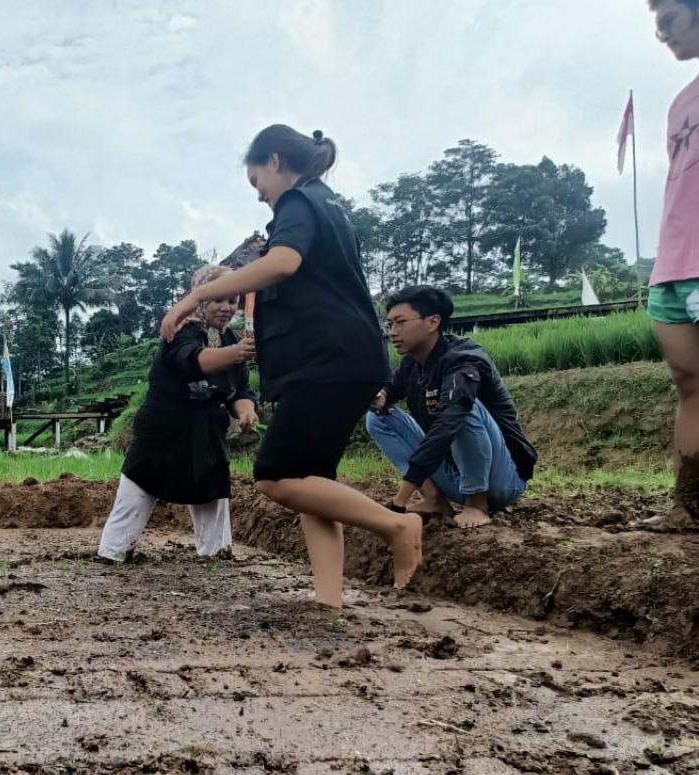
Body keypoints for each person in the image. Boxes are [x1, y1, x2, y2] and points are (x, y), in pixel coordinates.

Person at [160, 124, 422, 607]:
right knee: (311, 479)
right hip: (350, 357)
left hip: (328, 360)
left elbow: (282, 263)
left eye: (257, 181)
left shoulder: (299, 202)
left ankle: (396, 525)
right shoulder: (326, 204)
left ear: (275, 161)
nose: (259, 195)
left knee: (276, 475)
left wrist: (196, 295)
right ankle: (328, 600)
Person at [98, 265, 257, 563]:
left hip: (207, 434)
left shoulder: (231, 340)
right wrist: (238, 353)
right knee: (138, 490)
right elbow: (196, 362)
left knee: (212, 491)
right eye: (218, 299)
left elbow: (240, 392)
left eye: (232, 301)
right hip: (164, 431)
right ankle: (113, 552)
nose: (226, 308)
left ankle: (216, 555)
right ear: (201, 299)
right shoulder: (179, 330)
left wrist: (246, 411)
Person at [368, 285, 538, 528]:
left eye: (400, 322)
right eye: (390, 324)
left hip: (502, 480)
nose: (393, 332)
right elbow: (392, 386)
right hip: (454, 477)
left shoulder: (464, 359)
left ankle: (477, 502)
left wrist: (400, 500)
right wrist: (383, 394)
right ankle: (434, 500)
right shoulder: (412, 364)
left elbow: (451, 418)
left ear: (432, 322)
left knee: (462, 407)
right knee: (377, 416)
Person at [642, 0, 699, 530]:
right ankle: (687, 506)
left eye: (668, 21)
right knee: (688, 381)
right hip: (675, 262)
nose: (661, 35)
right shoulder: (681, 101)